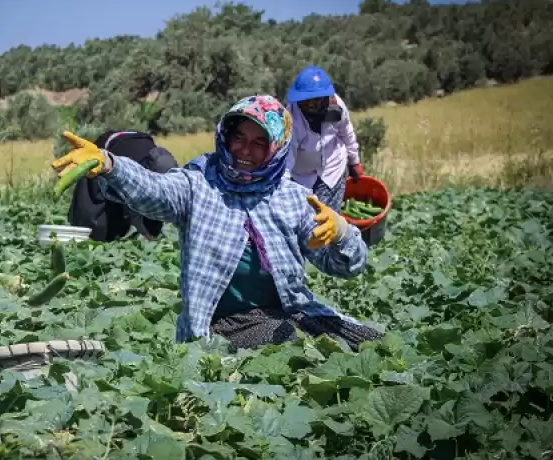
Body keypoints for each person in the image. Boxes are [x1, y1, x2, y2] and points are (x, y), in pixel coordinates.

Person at [52, 95, 383, 352]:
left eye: (258, 143)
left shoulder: (292, 198)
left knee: (371, 341)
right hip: (225, 323)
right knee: (291, 344)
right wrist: (111, 165)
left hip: (292, 311)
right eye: (238, 137)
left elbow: (346, 267)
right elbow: (154, 191)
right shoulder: (199, 184)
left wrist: (341, 232)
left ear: (277, 148)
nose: (244, 150)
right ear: (225, 135)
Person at [67, 130, 179, 242]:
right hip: (103, 156)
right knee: (93, 221)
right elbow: (135, 205)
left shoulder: (168, 173)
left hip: (130, 144)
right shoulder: (139, 174)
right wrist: (147, 236)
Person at [284, 65, 364, 213]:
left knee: (330, 220)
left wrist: (354, 161)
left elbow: (346, 133)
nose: (310, 105)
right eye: (305, 101)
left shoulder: (336, 106)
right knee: (308, 221)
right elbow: (287, 158)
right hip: (303, 178)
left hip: (333, 170)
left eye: (315, 101)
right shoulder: (292, 119)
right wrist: (284, 188)